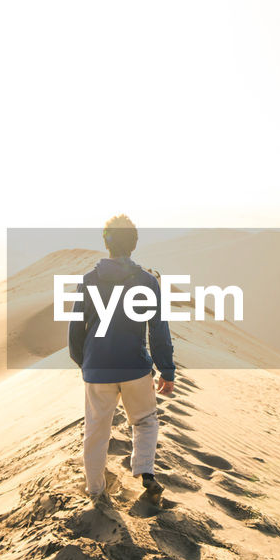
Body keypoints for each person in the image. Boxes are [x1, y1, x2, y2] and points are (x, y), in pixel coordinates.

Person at [68, 214, 175, 505]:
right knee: (144, 421)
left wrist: (85, 363)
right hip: (135, 367)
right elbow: (159, 329)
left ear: (106, 243)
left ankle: (95, 490)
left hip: (97, 368)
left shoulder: (88, 281)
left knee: (96, 429)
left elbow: (76, 329)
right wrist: (166, 370)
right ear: (134, 244)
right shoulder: (146, 282)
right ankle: (145, 472)